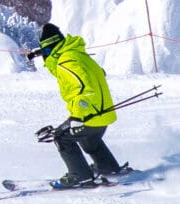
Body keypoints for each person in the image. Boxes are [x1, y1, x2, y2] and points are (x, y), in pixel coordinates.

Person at [29, 22, 126, 188]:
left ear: (51, 49)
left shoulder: (66, 62)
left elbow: (84, 89)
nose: (45, 58)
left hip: (89, 114)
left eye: (45, 52)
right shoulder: (77, 55)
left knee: (61, 137)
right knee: (89, 140)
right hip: (103, 114)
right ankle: (108, 168)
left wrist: (77, 116)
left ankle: (80, 176)